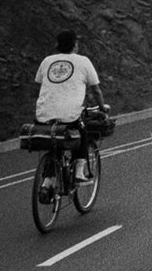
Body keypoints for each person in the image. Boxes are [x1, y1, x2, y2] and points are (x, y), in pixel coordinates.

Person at [34, 29, 107, 182]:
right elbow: (96, 90)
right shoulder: (83, 61)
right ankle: (79, 171)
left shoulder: (47, 61)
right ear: (75, 45)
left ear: (57, 45)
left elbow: (40, 83)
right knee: (82, 132)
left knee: (53, 142)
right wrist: (102, 107)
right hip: (70, 114)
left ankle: (47, 182)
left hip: (43, 113)